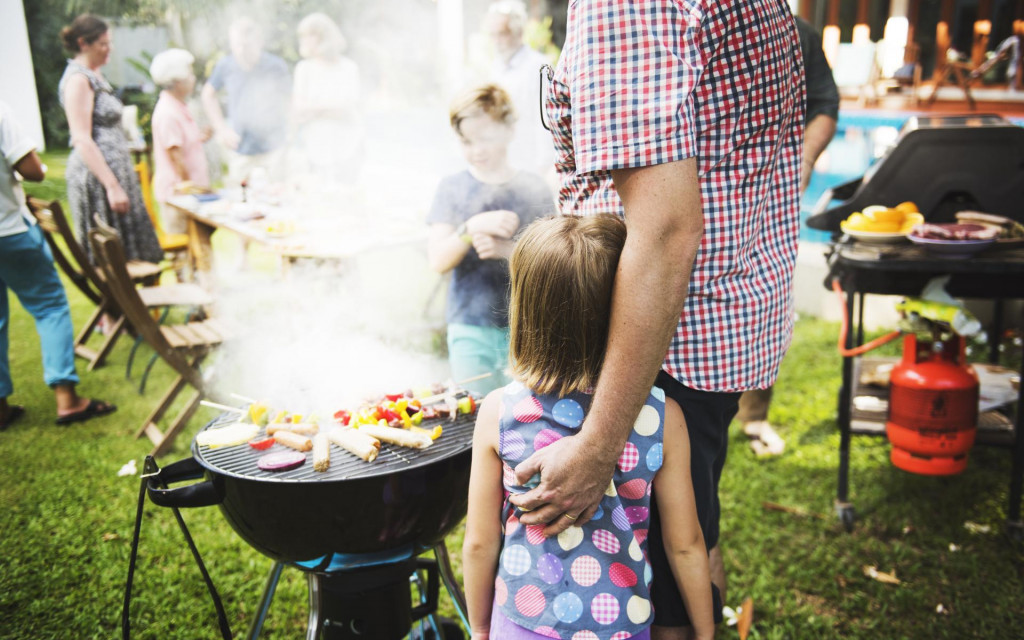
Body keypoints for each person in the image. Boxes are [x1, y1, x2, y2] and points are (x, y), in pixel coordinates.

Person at [510, 2, 805, 637]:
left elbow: (666, 229)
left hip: (658, 342)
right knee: (690, 532)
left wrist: (598, 444)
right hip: (702, 329)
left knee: (657, 580)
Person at [463, 214, 715, 640]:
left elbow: (479, 544)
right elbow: (687, 544)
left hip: (522, 624)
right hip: (621, 626)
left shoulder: (499, 413)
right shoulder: (662, 416)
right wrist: (706, 634)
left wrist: (481, 629)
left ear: (525, 309)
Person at [738, 15, 840, 455]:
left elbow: (824, 105)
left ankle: (755, 418)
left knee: (766, 301)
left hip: (767, 200)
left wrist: (804, 160)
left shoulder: (798, 33)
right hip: (694, 196)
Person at [426, 84, 552, 396]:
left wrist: (507, 250)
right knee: (477, 416)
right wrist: (470, 227)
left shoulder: (533, 188)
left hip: (526, 328)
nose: (476, 150)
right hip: (469, 327)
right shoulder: (452, 188)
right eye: (466, 142)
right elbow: (437, 259)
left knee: (525, 416)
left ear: (509, 131)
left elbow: (552, 266)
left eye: (485, 139)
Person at [0, 100, 117, 429]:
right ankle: (67, 399)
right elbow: (33, 170)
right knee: (50, 306)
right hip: (8, 230)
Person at [58, 14, 163, 265]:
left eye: (109, 43)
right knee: (113, 260)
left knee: (131, 254)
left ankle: (134, 302)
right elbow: (81, 138)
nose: (109, 49)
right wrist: (112, 185)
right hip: (98, 181)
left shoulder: (94, 75)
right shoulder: (78, 80)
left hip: (115, 172)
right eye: (103, 44)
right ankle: (122, 303)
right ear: (84, 43)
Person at [201, 17, 290, 186]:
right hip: (240, 148)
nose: (241, 50)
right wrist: (221, 129)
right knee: (243, 203)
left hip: (275, 148)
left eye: (246, 45)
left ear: (259, 42)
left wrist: (291, 133)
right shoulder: (225, 65)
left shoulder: (275, 66)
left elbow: (290, 100)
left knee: (278, 198)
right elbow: (208, 94)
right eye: (236, 45)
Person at [483, 1, 555, 183]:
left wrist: (545, 163)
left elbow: (546, 120)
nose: (496, 41)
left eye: (502, 34)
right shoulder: (495, 68)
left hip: (532, 162)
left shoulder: (538, 67)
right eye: (493, 35)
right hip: (504, 163)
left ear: (518, 33)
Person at [291, 12, 363, 183]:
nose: (306, 40)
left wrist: (314, 108)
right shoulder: (304, 69)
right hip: (315, 149)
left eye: (311, 35)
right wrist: (331, 107)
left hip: (347, 148)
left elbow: (348, 108)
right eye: (303, 36)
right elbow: (299, 111)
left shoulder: (348, 68)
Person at [149, 48, 211, 235]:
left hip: (189, 196)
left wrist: (200, 137)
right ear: (177, 81)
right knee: (185, 252)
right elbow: (177, 159)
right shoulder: (168, 112)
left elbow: (182, 145)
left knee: (199, 248)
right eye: (189, 74)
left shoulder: (179, 107)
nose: (193, 78)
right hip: (180, 198)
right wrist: (194, 192)